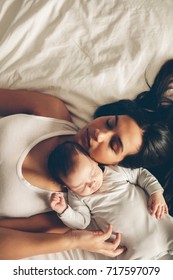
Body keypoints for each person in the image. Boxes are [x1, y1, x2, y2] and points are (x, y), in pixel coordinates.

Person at [0, 67, 172, 260]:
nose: (100, 134)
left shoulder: (64, 210)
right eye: (109, 123)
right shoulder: (51, 111)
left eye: (114, 145)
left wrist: (74, 241)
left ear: (119, 164)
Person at [48, 141, 173, 260]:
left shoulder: (114, 170)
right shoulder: (77, 197)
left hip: (160, 224)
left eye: (92, 174)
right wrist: (64, 210)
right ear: (68, 188)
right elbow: (82, 223)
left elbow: (141, 174)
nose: (91, 184)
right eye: (80, 185)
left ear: (94, 160)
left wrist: (156, 193)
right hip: (134, 248)